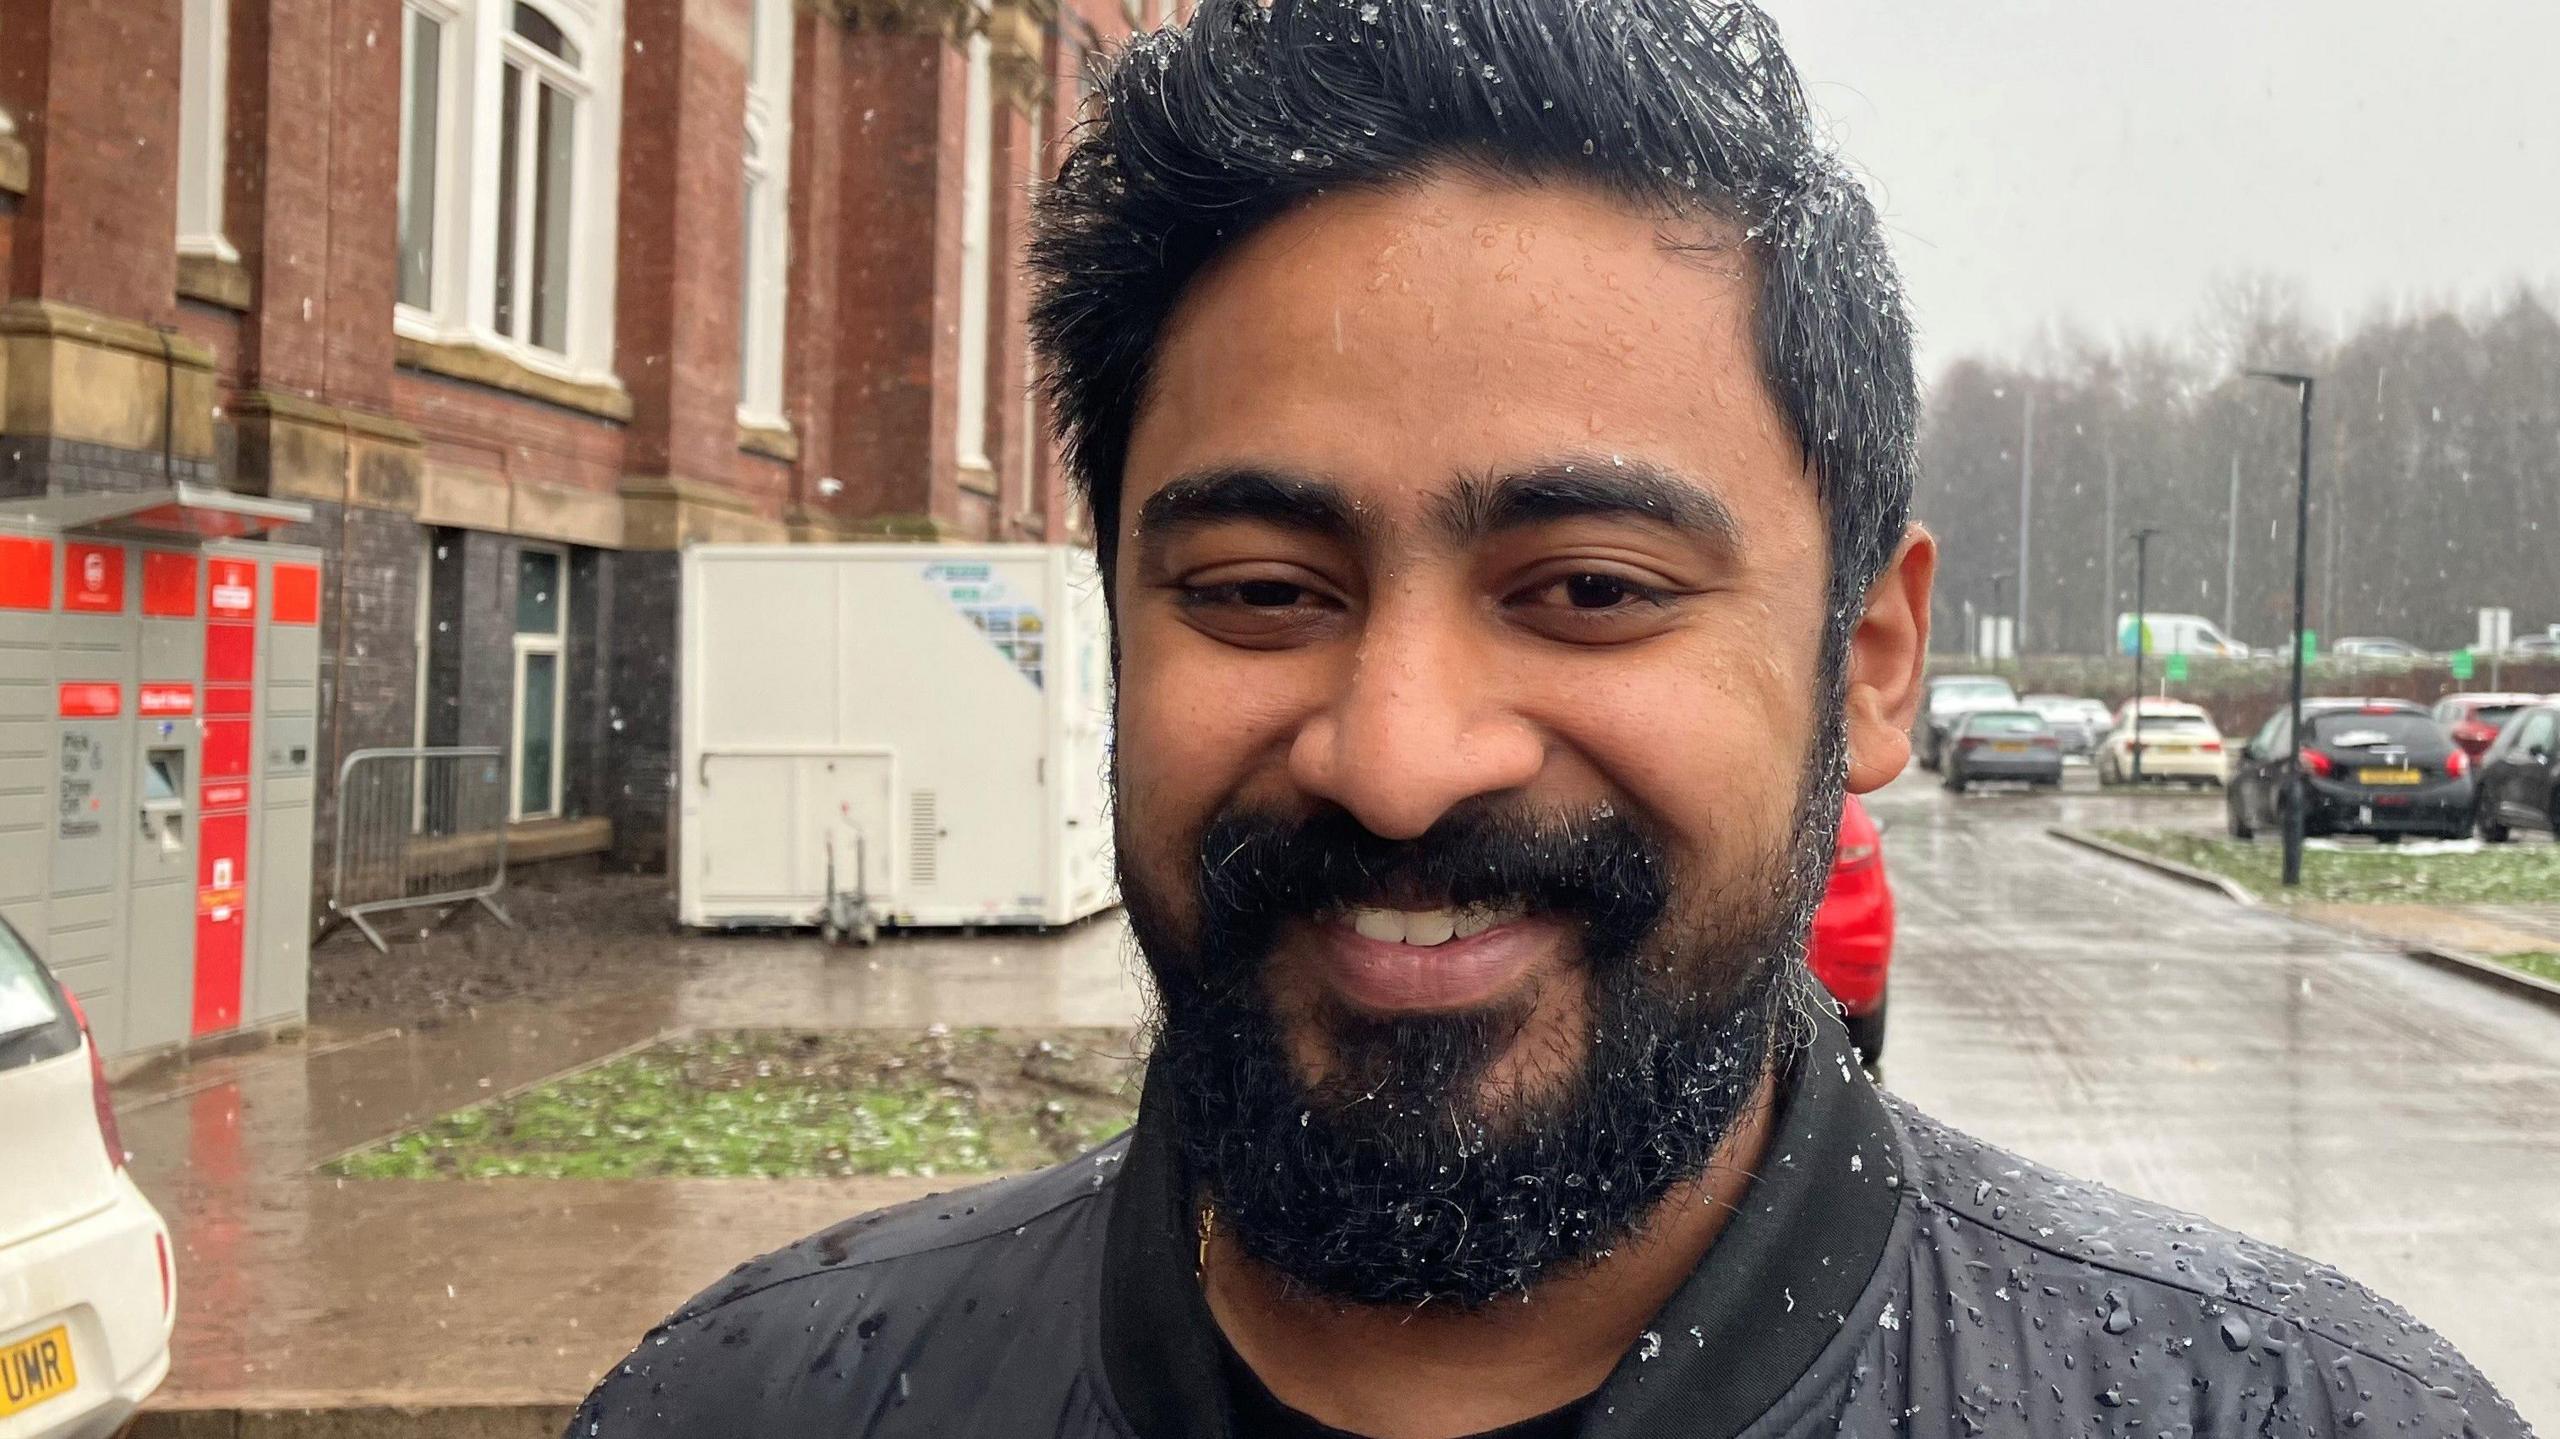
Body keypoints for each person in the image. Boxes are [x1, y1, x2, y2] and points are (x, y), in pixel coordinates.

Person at [569, 1, 2525, 1434]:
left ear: (1864, 665)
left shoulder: (2298, 1419)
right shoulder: (748, 1408)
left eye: (1587, 589)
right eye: (1259, 591)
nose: (1401, 752)